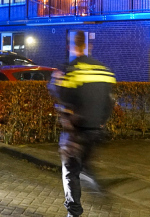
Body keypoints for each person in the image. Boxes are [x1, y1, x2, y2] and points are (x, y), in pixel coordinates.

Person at [48, 31, 116, 217]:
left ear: (70, 46)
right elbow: (110, 101)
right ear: (88, 47)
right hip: (97, 130)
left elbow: (62, 97)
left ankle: (74, 212)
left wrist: (56, 81)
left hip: (76, 131)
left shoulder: (71, 70)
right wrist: (102, 122)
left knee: (70, 171)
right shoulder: (104, 70)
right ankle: (91, 178)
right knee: (83, 164)